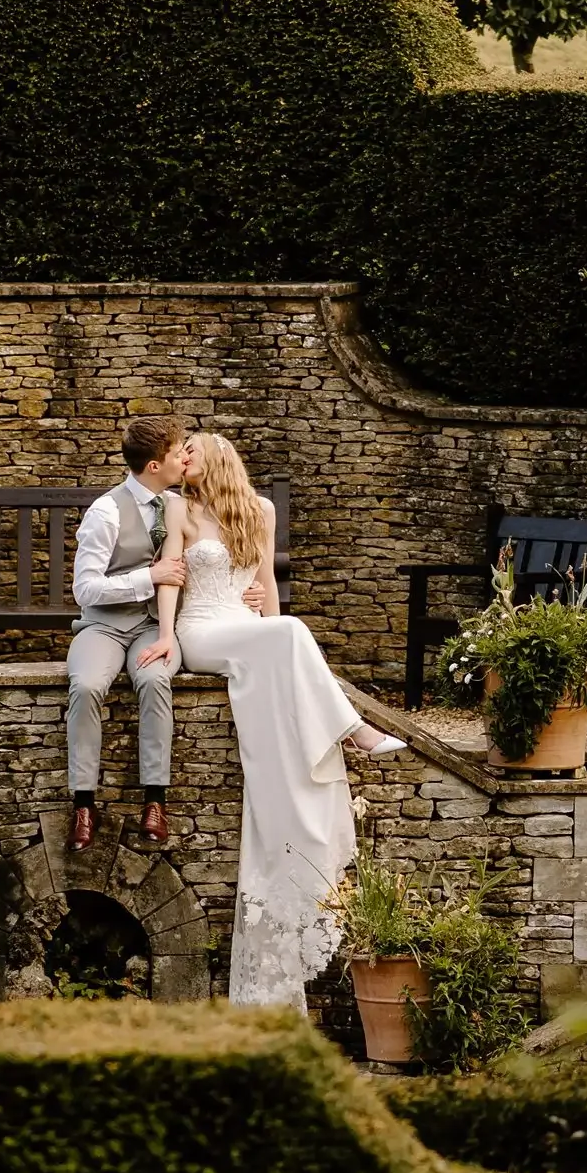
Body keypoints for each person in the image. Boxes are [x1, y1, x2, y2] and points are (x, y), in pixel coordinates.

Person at [137, 432, 407, 1011]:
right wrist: (165, 637)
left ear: (218, 461)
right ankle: (354, 729)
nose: (185, 463)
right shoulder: (180, 508)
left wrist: (270, 619)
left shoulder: (259, 510)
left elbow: (273, 603)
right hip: (202, 630)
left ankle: (347, 728)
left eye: (193, 455)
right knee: (290, 634)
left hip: (245, 624)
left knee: (290, 631)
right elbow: (169, 577)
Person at [65, 415, 197, 854]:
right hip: (102, 624)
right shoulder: (105, 511)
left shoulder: (178, 504)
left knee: (155, 680)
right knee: (86, 686)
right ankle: (84, 803)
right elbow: (84, 589)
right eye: (178, 452)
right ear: (155, 465)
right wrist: (148, 575)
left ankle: (155, 801)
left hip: (154, 627)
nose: (185, 458)